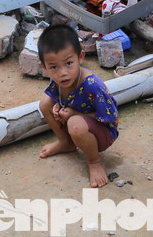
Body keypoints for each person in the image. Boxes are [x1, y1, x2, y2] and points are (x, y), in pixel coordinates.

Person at [37, 24, 119, 187]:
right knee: (45, 103)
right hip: (79, 124)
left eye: (68, 63)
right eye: (54, 67)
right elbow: (59, 97)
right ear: (44, 67)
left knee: (74, 124)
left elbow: (111, 117)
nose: (62, 73)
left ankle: (94, 161)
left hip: (103, 132)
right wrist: (58, 107)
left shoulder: (92, 85)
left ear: (80, 57)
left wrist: (74, 115)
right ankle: (66, 143)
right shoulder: (59, 79)